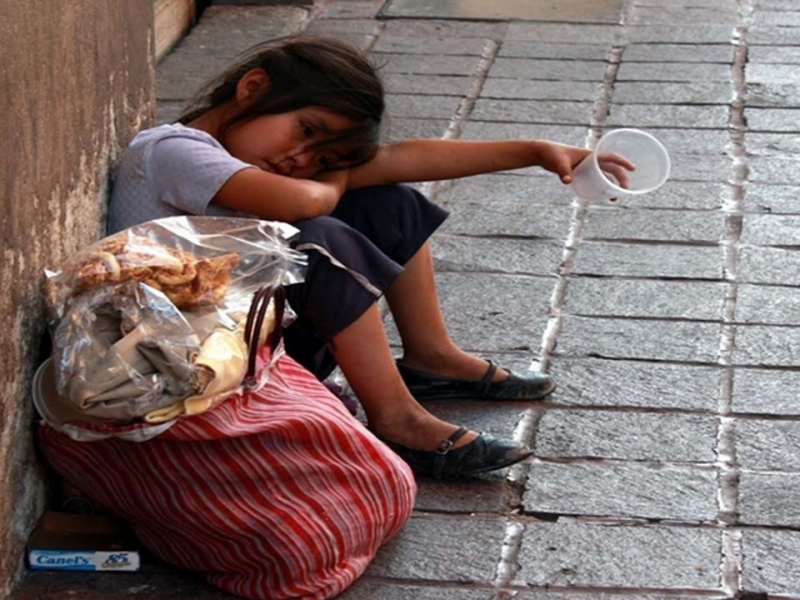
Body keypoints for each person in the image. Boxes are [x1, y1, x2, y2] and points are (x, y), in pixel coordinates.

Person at [106, 35, 632, 478]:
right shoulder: (175, 150)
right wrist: (336, 172)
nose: (301, 159)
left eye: (323, 156)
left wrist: (537, 152)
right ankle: (397, 417)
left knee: (390, 203)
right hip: (183, 361)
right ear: (253, 88)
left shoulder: (261, 165)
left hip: (245, 341)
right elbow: (308, 202)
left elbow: (401, 160)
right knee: (317, 236)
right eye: (307, 132)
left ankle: (432, 359)